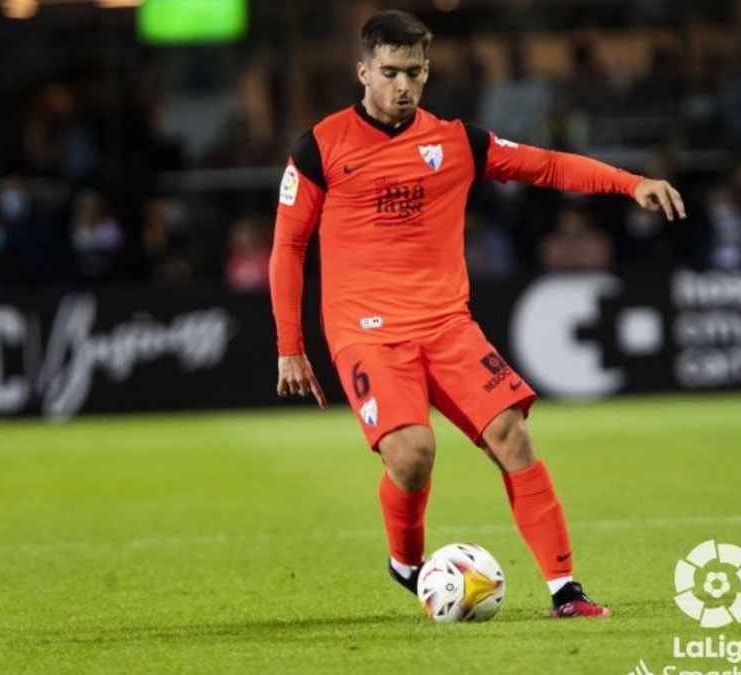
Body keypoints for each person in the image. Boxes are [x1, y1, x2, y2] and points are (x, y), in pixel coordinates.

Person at [269, 10, 685, 619]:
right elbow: (287, 247)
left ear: (428, 71)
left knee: (512, 436)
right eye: (389, 72)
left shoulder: (456, 141)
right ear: (363, 72)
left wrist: (631, 184)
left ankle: (565, 590)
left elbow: (547, 164)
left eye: (414, 72)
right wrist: (290, 344)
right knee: (412, 454)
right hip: (367, 333)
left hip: (446, 324)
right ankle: (406, 563)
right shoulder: (321, 146)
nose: (402, 85)